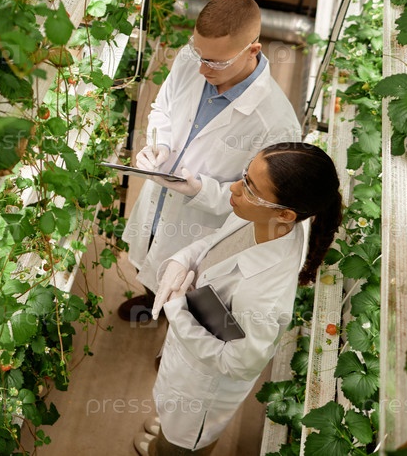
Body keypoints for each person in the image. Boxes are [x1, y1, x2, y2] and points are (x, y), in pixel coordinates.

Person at [132, 142, 343, 456]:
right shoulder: (264, 219)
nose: (234, 187)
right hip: (191, 350)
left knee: (178, 445)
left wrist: (179, 312)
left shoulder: (262, 296)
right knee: (169, 412)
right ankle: (166, 433)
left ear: (286, 214)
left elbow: (238, 363)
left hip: (201, 391)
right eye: (245, 175)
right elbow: (216, 244)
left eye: (250, 188)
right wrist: (182, 259)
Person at [119, 0, 301, 322]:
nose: (202, 68)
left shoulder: (277, 124)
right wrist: (160, 143)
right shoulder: (193, 59)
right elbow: (163, 107)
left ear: (253, 51)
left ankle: (177, 331)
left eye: (215, 62)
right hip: (158, 203)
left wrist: (201, 191)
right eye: (198, 54)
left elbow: (260, 205)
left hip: (200, 226)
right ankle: (150, 297)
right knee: (148, 259)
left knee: (189, 294)